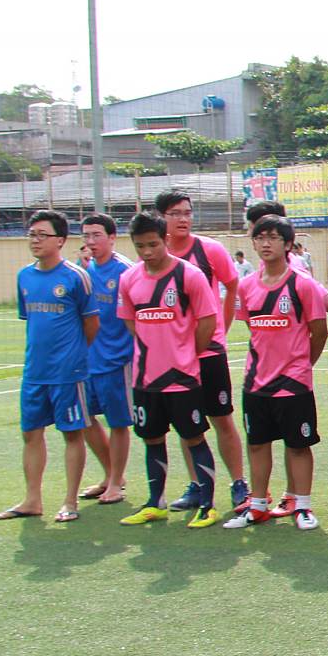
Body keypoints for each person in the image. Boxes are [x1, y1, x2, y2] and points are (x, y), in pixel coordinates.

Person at [222, 215, 328, 531]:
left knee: (298, 445)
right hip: (256, 382)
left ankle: (303, 506)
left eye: (273, 237)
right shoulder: (246, 286)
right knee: (257, 444)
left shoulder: (302, 284)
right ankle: (257, 506)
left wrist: (302, 365)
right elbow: (254, 330)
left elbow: (319, 331)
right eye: (260, 238)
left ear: (287, 244)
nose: (265, 243)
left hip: (293, 382)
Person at [115, 212, 220, 527]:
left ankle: (207, 505)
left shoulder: (189, 275)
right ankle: (155, 503)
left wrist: (184, 353)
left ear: (166, 240)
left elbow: (207, 322)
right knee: (151, 439)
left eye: (153, 244)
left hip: (182, 379)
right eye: (140, 246)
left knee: (194, 438)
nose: (147, 252)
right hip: (145, 379)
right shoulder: (129, 279)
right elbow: (131, 322)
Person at [0, 210, 99, 523]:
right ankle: (32, 499)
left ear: (60, 240)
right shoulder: (24, 277)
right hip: (34, 372)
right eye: (32, 234)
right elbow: (32, 321)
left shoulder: (76, 277)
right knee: (30, 434)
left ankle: (70, 501)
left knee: (72, 434)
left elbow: (91, 324)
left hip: (68, 374)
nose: (35, 240)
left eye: (42, 235)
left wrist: (72, 356)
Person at [154, 191, 249, 514]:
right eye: (175, 213)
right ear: (161, 217)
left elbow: (232, 285)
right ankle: (196, 485)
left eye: (187, 212)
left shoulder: (210, 250)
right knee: (186, 423)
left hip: (209, 352)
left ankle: (239, 483)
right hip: (175, 356)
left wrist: (220, 326)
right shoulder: (156, 254)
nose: (183, 219)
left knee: (222, 418)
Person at [77, 214, 135, 505]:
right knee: (85, 418)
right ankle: (111, 475)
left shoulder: (125, 271)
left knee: (118, 422)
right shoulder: (83, 270)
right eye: (86, 235)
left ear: (112, 238)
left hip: (117, 359)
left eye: (96, 235)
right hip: (88, 358)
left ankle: (115, 483)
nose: (91, 241)